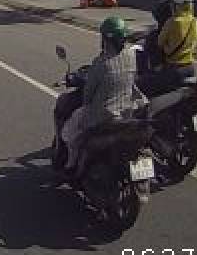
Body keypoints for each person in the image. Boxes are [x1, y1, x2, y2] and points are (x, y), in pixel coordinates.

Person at [59, 16, 146, 175]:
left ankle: (71, 164)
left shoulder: (101, 63)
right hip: (128, 110)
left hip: (104, 116)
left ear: (106, 39)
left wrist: (86, 106)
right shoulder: (130, 55)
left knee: (69, 132)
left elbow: (88, 94)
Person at [139, 0, 197, 97]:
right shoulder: (194, 21)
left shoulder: (171, 23)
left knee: (140, 85)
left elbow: (159, 43)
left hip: (173, 70)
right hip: (190, 68)